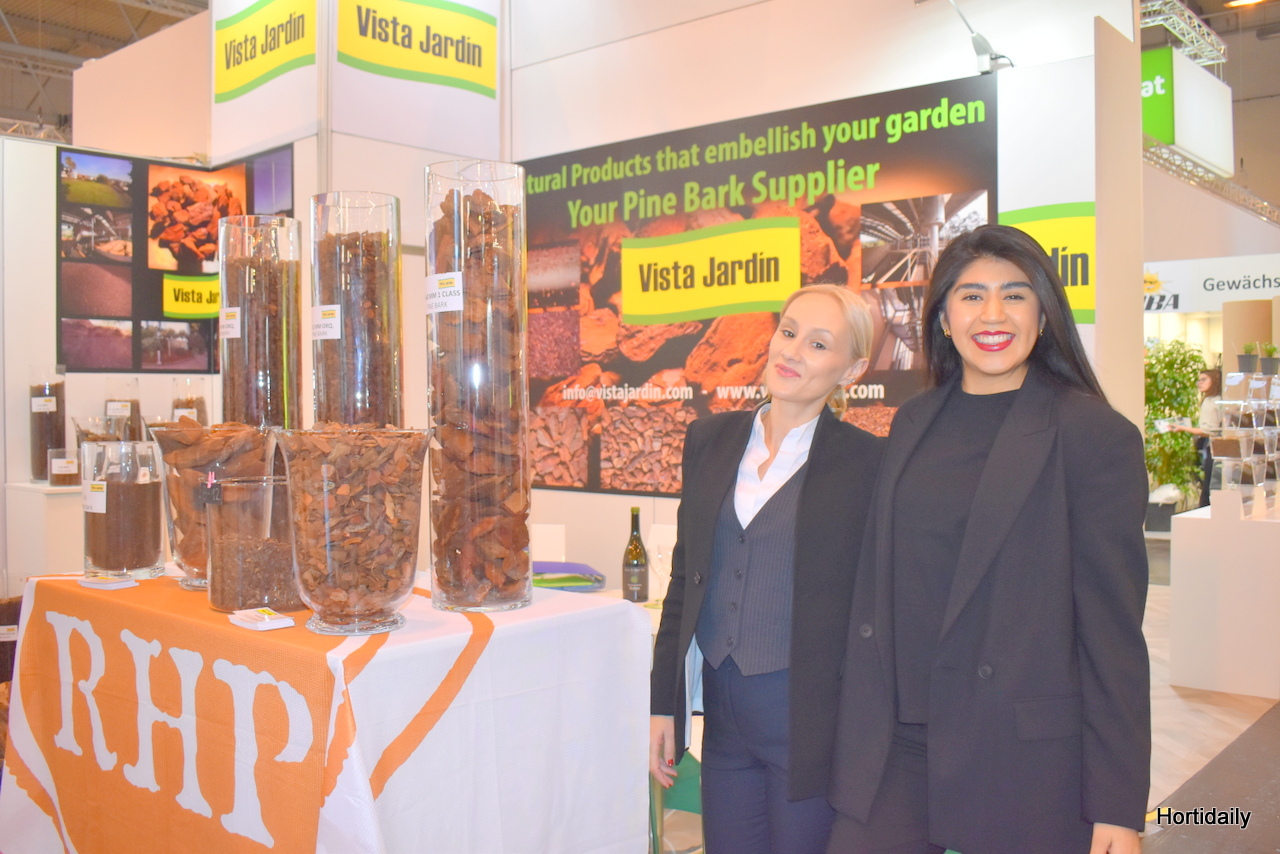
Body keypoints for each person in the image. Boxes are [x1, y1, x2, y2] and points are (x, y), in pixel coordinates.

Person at [826, 225, 1150, 854]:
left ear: (1044, 316)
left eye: (1015, 295)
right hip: (897, 746)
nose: (993, 314)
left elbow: (1112, 637)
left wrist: (1116, 807)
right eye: (971, 296)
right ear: (943, 318)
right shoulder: (914, 420)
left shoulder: (1093, 435)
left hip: (1020, 759)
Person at [650, 284, 884, 854]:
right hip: (722, 717)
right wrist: (663, 703)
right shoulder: (709, 439)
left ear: (852, 371)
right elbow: (684, 581)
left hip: (808, 724)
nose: (793, 351)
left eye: (819, 344)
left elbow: (876, 606)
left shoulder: (867, 463)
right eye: (789, 331)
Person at [1170, 368, 1222, 506]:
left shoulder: (1211, 402)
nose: (1200, 383)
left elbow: (1207, 430)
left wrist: (1182, 428)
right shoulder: (1216, 400)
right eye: (1199, 380)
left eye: (1204, 379)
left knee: (1209, 486)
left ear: (1215, 380)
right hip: (1217, 447)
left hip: (1216, 448)